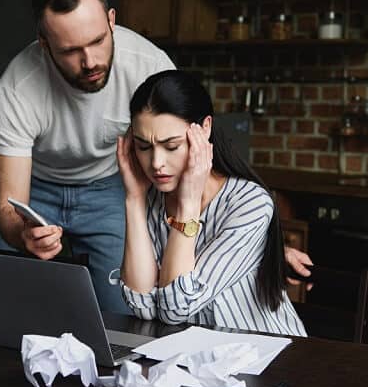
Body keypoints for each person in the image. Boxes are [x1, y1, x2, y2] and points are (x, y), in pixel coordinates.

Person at [0, 0, 312, 315]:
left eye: (98, 41)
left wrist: (260, 245)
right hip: (39, 191)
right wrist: (22, 234)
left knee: (124, 313)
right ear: (44, 43)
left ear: (112, 20)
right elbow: (8, 207)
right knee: (5, 304)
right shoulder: (17, 89)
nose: (90, 62)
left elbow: (190, 153)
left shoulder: (148, 64)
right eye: (70, 51)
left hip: (111, 185)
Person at [117, 70, 307, 336]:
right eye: (143, 147)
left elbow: (175, 308)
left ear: (205, 128)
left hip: (265, 358)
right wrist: (134, 199)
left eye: (171, 146)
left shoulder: (250, 204)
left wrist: (189, 203)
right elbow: (143, 308)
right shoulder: (151, 198)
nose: (156, 163)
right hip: (193, 358)